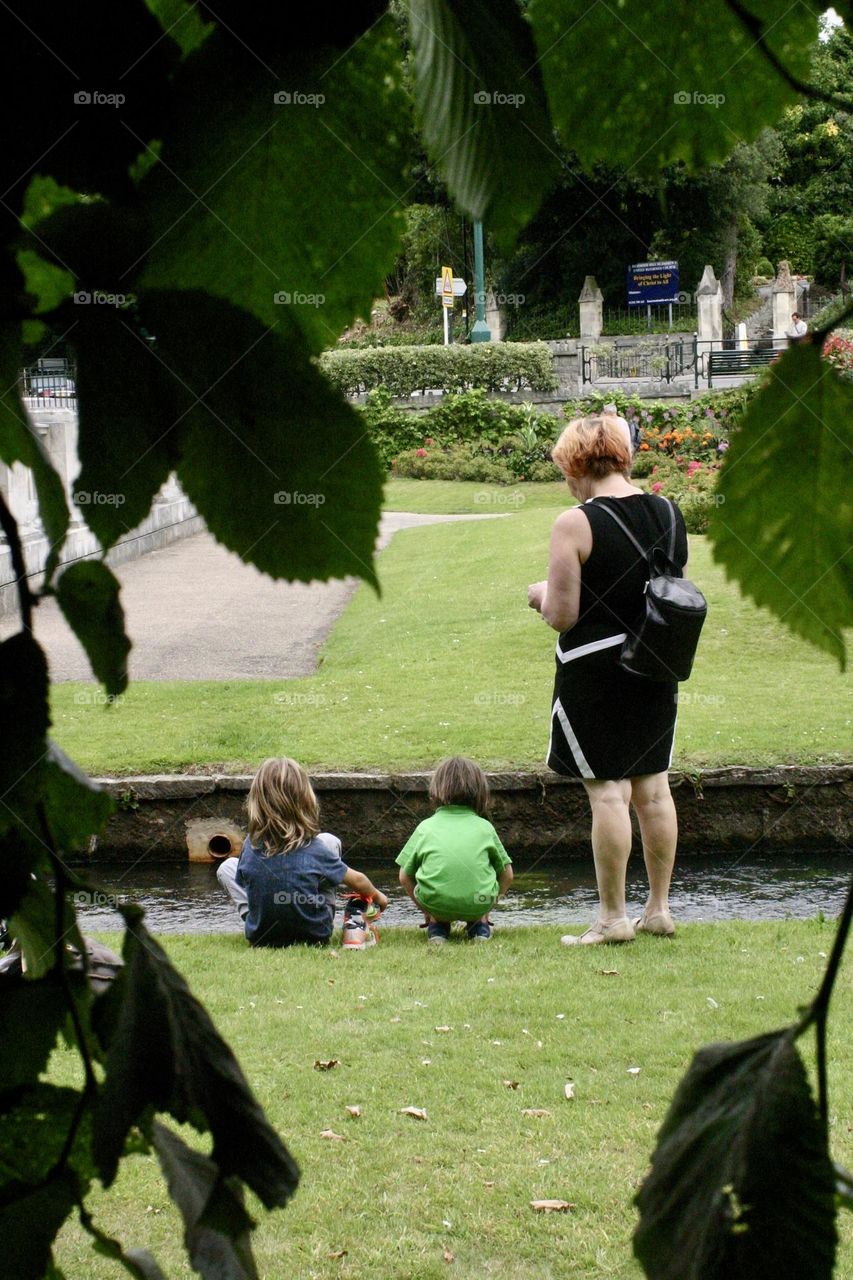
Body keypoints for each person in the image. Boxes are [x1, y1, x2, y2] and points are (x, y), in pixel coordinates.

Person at [527, 416, 688, 946]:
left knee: (609, 795)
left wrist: (539, 593)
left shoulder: (575, 522)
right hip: (656, 663)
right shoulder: (667, 511)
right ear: (623, 455)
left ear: (575, 465)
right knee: (654, 791)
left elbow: (563, 615)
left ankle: (613, 918)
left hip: (595, 670)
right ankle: (659, 910)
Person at [218, 757, 388, 948]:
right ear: (305, 798)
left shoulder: (250, 844)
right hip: (315, 933)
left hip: (261, 937)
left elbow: (246, 882)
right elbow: (358, 881)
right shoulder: (315, 848)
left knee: (226, 868)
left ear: (256, 800)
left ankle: (260, 921)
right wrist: (380, 898)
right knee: (329, 841)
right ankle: (354, 919)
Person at [396, 756, 513, 943]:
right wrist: (487, 906)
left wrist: (427, 910)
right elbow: (507, 875)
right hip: (477, 903)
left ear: (436, 790)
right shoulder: (485, 827)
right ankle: (479, 925)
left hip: (437, 904)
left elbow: (404, 876)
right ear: (480, 791)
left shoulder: (425, 827)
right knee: (482, 887)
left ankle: (437, 926)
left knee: (428, 887)